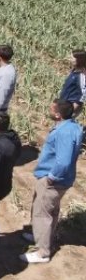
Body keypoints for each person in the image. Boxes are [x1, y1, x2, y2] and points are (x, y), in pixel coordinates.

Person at [20, 99, 83, 264]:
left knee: (43, 214)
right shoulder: (72, 126)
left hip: (53, 179)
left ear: (57, 114)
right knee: (50, 211)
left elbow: (63, 161)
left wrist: (51, 178)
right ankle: (40, 235)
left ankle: (42, 252)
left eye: (51, 109)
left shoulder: (64, 133)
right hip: (61, 179)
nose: (49, 111)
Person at [59, 49, 86, 117]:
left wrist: (74, 108)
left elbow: (83, 93)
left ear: (78, 60)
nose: (70, 58)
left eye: (72, 57)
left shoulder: (82, 75)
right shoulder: (74, 71)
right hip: (64, 106)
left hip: (70, 108)